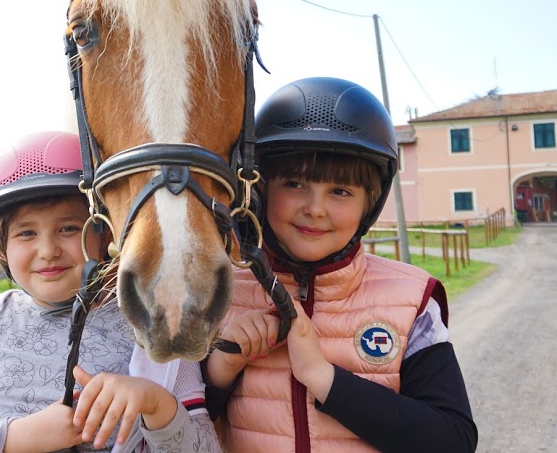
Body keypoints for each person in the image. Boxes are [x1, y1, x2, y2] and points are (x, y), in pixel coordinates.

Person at [204, 77, 478, 452]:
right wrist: (220, 368)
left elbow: (452, 439)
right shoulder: (221, 290)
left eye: (340, 191)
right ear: (260, 189)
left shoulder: (412, 300)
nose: (315, 208)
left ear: (370, 202)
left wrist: (324, 379)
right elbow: (176, 427)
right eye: (295, 184)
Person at [0, 131, 221, 453]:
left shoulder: (152, 322)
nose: (47, 250)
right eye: (26, 233)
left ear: (105, 233)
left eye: (68, 228)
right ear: (1, 247)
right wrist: (17, 437)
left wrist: (156, 404)